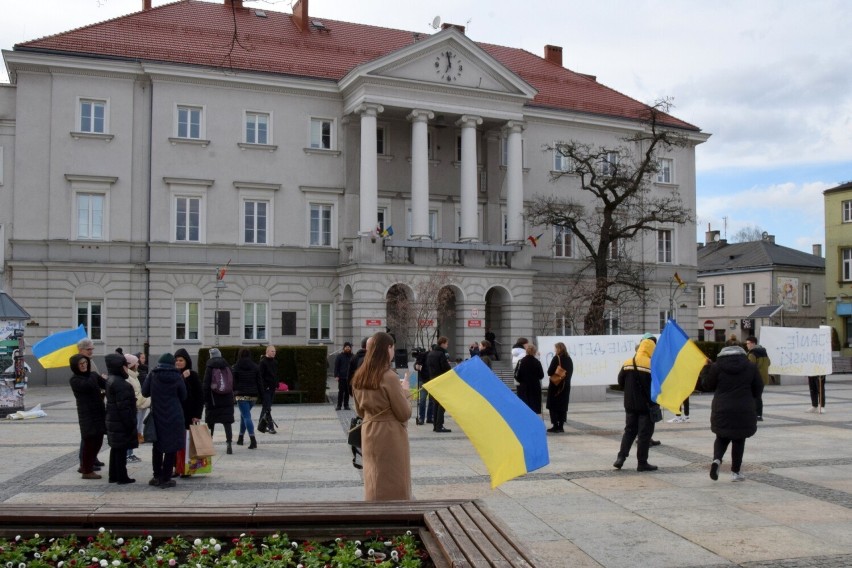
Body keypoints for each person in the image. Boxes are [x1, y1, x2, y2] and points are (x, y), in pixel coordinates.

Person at [351, 331, 412, 501]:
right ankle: (394, 517)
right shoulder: (389, 376)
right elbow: (404, 413)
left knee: (373, 478)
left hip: (369, 429)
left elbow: (359, 411)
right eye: (392, 348)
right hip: (389, 434)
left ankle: (373, 514)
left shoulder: (359, 376)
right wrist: (405, 391)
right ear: (388, 348)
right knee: (393, 479)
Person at [702, 345, 763, 482]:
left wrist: (706, 368)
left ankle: (717, 460)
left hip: (722, 408)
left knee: (721, 437)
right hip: (743, 408)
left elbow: (707, 385)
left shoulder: (717, 367)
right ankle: (736, 472)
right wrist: (750, 398)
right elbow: (758, 388)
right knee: (739, 439)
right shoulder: (751, 366)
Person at [613, 336, 659, 472]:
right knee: (644, 435)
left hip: (630, 405)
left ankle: (621, 457)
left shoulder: (628, 362)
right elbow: (657, 386)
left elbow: (620, 381)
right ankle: (642, 463)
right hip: (646, 406)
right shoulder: (652, 365)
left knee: (629, 432)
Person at [142, 353, 186, 488]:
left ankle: (156, 476)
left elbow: (144, 393)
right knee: (171, 447)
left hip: (157, 415)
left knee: (157, 446)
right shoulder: (177, 376)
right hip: (174, 414)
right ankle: (166, 478)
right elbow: (184, 396)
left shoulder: (153, 374)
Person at [68, 353, 106, 479]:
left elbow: (105, 384)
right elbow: (88, 385)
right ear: (75, 366)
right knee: (90, 441)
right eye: (81, 364)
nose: (84, 366)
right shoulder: (75, 380)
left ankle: (86, 465)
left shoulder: (93, 375)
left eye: (85, 363)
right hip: (87, 414)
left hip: (98, 411)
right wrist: (95, 375)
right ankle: (86, 470)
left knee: (99, 440)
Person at [104, 353, 137, 485]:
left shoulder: (111, 379)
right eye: (125, 365)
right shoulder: (121, 384)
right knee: (121, 449)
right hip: (121, 422)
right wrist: (130, 423)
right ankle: (122, 477)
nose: (126, 368)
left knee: (116, 448)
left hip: (113, 420)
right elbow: (124, 408)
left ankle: (113, 475)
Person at [174, 348, 204, 476]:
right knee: (175, 442)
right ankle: (176, 467)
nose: (178, 363)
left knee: (187, 442)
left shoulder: (192, 375)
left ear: (186, 361)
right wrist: (181, 378)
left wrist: (197, 414)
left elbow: (199, 396)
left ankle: (187, 468)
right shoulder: (173, 374)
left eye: (181, 360)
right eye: (176, 360)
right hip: (175, 413)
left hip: (188, 414)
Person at [202, 348, 236, 454]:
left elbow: (206, 384)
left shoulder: (209, 367)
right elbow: (232, 382)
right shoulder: (227, 366)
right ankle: (229, 444)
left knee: (210, 423)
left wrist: (205, 399)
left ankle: (208, 445)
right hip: (227, 400)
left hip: (213, 401)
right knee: (227, 423)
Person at [232, 348, 263, 449]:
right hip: (253, 395)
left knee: (246, 416)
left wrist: (233, 392)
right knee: (244, 415)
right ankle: (240, 437)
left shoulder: (235, 367)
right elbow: (259, 382)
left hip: (241, 395)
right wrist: (262, 395)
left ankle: (253, 440)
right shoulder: (255, 367)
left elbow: (233, 383)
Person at [123, 353, 147, 461]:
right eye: (136, 362)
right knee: (131, 432)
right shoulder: (129, 377)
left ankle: (130, 453)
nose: (138, 364)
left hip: (138, 408)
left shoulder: (134, 375)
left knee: (135, 430)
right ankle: (127, 454)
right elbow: (136, 396)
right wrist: (149, 401)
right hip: (134, 409)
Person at [426, 337, 452, 433]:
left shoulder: (431, 353)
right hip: (441, 381)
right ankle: (439, 425)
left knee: (436, 403)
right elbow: (446, 368)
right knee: (442, 404)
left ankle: (435, 426)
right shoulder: (441, 354)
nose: (447, 345)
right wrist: (448, 365)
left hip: (433, 380)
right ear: (443, 343)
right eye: (446, 344)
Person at [546, 342, 573, 432]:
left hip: (555, 386)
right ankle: (561, 426)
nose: (555, 350)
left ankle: (555, 425)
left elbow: (549, 372)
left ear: (559, 349)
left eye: (556, 348)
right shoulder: (569, 359)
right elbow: (570, 372)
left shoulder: (556, 358)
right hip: (565, 386)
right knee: (562, 405)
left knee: (553, 405)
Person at [745, 336, 771, 420]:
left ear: (753, 343)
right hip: (763, 378)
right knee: (758, 396)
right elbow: (769, 363)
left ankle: (756, 415)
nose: (747, 345)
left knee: (754, 397)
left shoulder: (752, 353)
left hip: (755, 378)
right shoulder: (763, 352)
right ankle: (758, 415)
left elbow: (750, 366)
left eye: (748, 343)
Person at [516, 343, 544, 415]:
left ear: (526, 351)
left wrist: (522, 380)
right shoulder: (537, 362)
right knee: (534, 408)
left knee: (525, 407)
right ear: (534, 352)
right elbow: (541, 375)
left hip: (523, 387)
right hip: (535, 387)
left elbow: (517, 375)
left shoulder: (521, 361)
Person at [258, 345, 278, 433]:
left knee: (265, 407)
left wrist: (276, 384)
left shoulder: (274, 362)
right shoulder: (263, 362)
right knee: (267, 408)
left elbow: (275, 375)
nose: (274, 353)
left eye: (275, 351)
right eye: (272, 351)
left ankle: (260, 424)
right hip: (266, 389)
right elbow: (260, 376)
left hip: (272, 388)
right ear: (267, 351)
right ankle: (271, 427)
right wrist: (265, 386)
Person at [334, 342, 354, 411]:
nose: (347, 349)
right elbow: (336, 366)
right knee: (341, 392)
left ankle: (346, 405)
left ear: (350, 348)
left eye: (349, 347)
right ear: (344, 348)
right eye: (346, 347)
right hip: (341, 377)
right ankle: (339, 405)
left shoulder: (352, 356)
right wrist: (336, 375)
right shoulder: (340, 356)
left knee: (347, 392)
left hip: (349, 378)